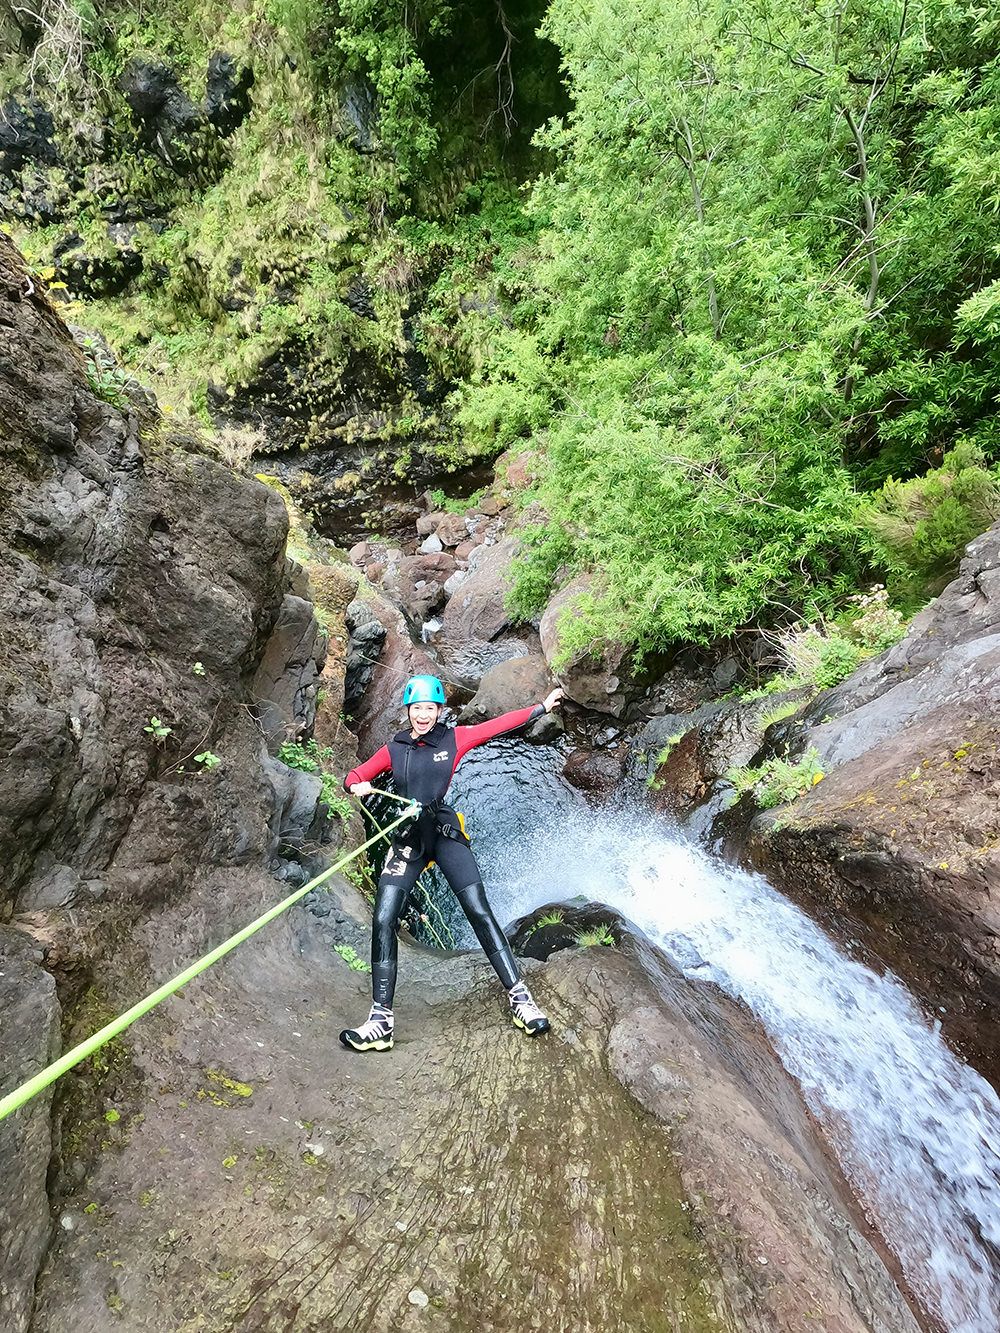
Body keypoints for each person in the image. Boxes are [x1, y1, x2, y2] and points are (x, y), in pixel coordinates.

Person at [339, 673, 564, 1052]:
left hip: (443, 834)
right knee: (382, 917)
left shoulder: (453, 739)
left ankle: (521, 999)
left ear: (439, 710)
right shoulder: (394, 748)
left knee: (478, 910)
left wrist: (540, 707)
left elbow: (496, 726)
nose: (423, 715)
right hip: (409, 839)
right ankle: (381, 1020)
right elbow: (355, 774)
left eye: (430, 708)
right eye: (417, 709)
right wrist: (355, 784)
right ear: (408, 711)